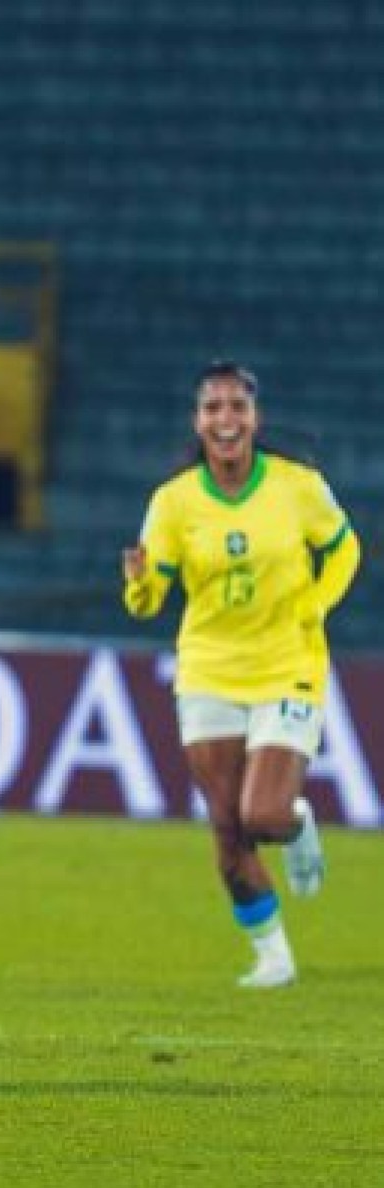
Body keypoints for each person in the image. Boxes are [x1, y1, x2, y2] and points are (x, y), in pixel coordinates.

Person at [122, 361, 359, 989]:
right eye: (212, 409)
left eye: (236, 407)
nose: (225, 420)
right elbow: (148, 600)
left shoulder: (298, 486)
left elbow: (345, 549)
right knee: (226, 828)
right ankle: (273, 955)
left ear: (255, 418)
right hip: (208, 669)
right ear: (197, 422)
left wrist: (314, 605)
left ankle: (298, 822)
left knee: (263, 816)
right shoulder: (173, 503)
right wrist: (140, 582)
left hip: (287, 665)